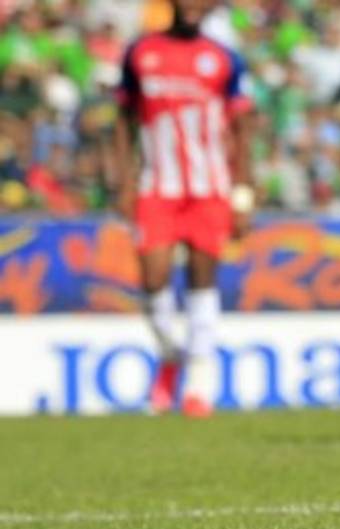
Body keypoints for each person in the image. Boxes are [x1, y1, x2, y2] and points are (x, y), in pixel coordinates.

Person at [113, 0, 254, 417]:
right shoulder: (141, 53)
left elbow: (242, 129)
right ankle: (172, 353)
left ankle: (199, 384)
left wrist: (242, 192)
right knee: (152, 279)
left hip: (209, 188)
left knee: (201, 278)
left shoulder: (223, 58)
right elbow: (123, 119)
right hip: (157, 185)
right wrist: (123, 179)